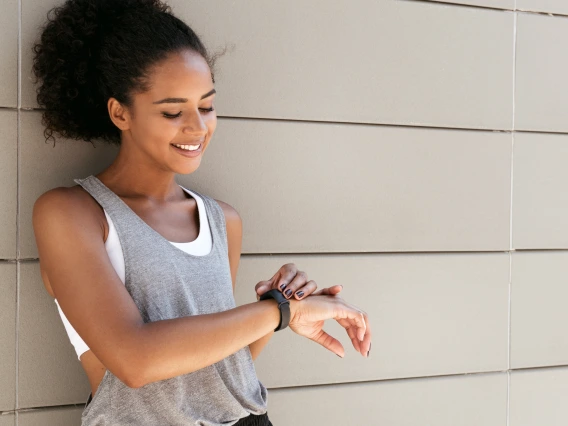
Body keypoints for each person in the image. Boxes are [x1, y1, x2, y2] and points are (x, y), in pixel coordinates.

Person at [30, 0, 372, 425]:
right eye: (173, 112)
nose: (197, 127)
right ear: (121, 113)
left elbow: (218, 365)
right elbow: (134, 360)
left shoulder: (221, 219)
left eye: (206, 106)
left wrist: (279, 307)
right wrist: (280, 311)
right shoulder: (72, 213)